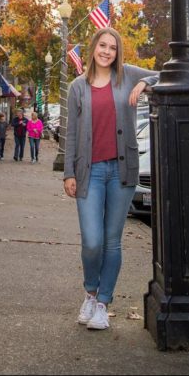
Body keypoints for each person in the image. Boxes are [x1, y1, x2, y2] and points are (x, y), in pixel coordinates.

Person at [63, 27, 158, 331]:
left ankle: (103, 303)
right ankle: (89, 292)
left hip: (121, 171)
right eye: (102, 46)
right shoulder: (78, 87)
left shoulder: (127, 75)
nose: (106, 51)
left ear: (118, 53)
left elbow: (164, 74)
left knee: (112, 241)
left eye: (113, 48)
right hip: (89, 172)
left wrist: (144, 82)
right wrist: (69, 173)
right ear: (93, 48)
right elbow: (72, 133)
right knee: (92, 241)